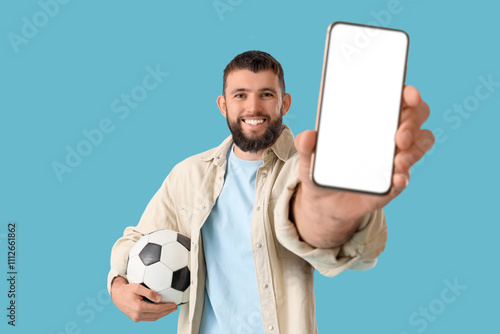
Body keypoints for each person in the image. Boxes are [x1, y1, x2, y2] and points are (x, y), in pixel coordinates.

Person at [108, 50, 434, 333]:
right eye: (240, 95)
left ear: (284, 103)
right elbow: (137, 239)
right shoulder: (188, 174)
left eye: (266, 94)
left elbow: (355, 246)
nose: (253, 107)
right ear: (223, 105)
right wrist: (118, 286)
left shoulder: (308, 169)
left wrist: (334, 215)